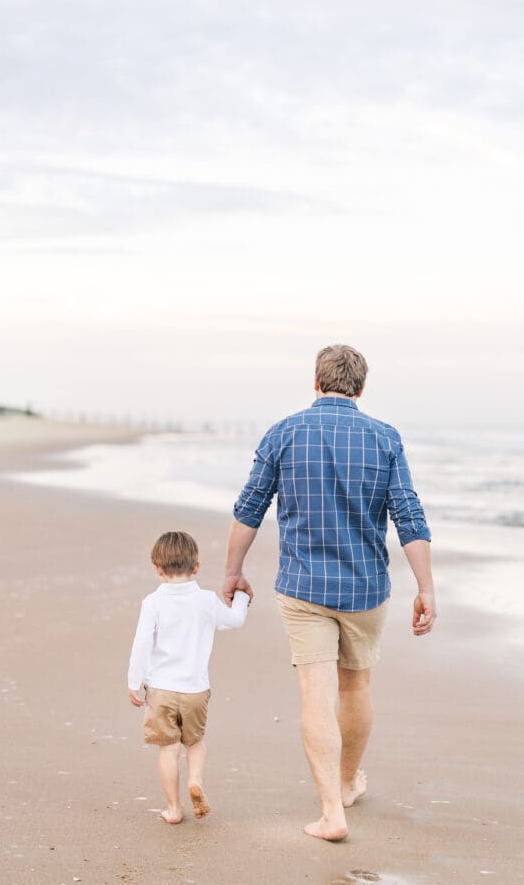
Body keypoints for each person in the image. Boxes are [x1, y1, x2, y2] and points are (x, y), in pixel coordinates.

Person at [223, 344, 435, 841]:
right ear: (361, 389)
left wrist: (232, 571)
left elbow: (248, 508)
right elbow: (409, 515)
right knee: (356, 687)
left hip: (302, 587)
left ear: (315, 382)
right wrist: (426, 588)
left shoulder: (284, 433)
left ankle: (330, 815)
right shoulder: (385, 438)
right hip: (365, 588)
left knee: (315, 697)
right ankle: (344, 786)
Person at [128, 531, 249, 824]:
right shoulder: (206, 600)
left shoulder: (153, 603)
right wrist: (242, 597)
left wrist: (134, 682)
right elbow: (235, 620)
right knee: (194, 743)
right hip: (196, 689)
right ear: (196, 567)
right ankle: (195, 780)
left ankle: (173, 807)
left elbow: (142, 644)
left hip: (161, 691)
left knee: (168, 750)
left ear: (157, 569)